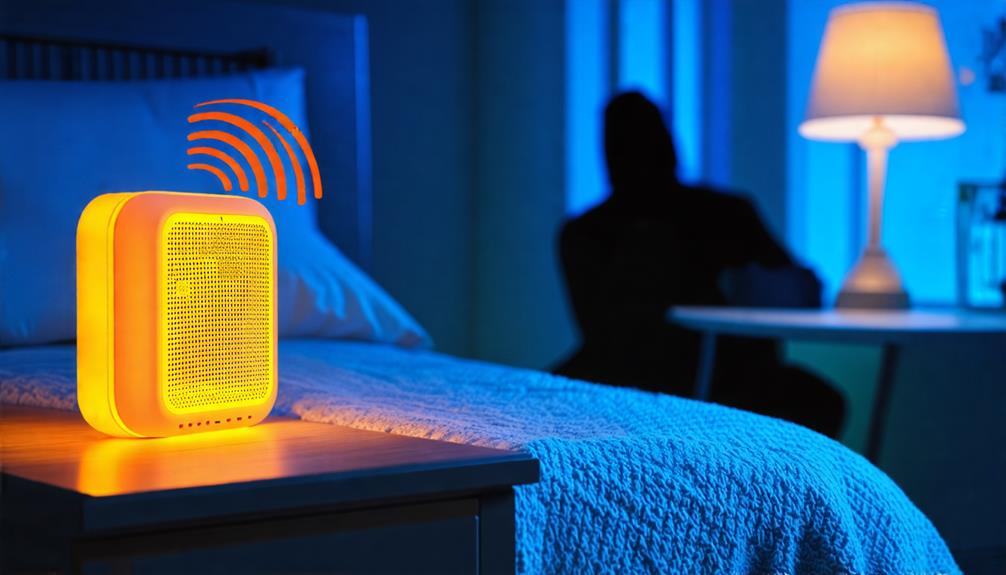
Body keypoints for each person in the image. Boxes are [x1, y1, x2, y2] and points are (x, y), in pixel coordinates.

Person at [554, 91, 845, 438]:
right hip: (638, 375)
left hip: (731, 373)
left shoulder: (724, 213)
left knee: (819, 401)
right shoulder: (586, 233)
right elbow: (602, 332)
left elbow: (802, 292)